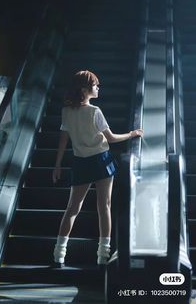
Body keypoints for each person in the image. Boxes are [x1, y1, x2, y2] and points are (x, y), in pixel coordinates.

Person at [52, 70, 143, 267]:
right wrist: (131, 134)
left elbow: (63, 139)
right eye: (95, 85)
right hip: (101, 161)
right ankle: (103, 255)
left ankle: (59, 254)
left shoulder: (66, 111)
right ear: (85, 90)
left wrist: (57, 164)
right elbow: (110, 138)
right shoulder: (95, 111)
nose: (98, 88)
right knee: (104, 207)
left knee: (72, 209)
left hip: (80, 162)